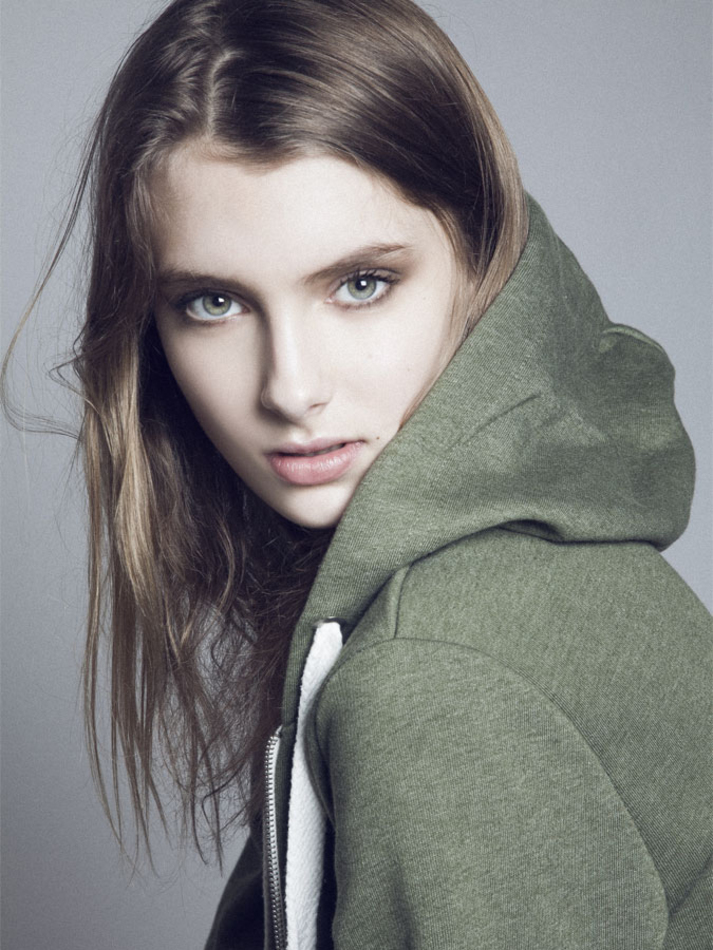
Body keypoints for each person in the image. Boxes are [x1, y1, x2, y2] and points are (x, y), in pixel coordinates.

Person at [5, 0, 710, 947]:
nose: (291, 388)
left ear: (481, 260)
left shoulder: (433, 678)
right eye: (212, 303)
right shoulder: (544, 569)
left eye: (360, 284)